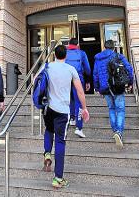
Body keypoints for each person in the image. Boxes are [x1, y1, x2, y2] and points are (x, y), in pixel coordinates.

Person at [42, 44, 90, 189]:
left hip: (48, 109)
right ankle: (58, 178)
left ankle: (47, 153)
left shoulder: (48, 67)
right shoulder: (71, 69)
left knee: (49, 130)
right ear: (66, 56)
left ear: (54, 55)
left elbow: (35, 82)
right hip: (62, 111)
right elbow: (80, 92)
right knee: (61, 142)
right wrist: (84, 108)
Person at [93, 40, 134, 148]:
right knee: (120, 110)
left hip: (105, 88)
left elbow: (95, 74)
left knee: (111, 109)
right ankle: (119, 132)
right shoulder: (119, 56)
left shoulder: (98, 59)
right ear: (114, 48)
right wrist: (130, 83)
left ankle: (115, 130)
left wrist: (97, 88)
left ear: (104, 47)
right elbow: (129, 69)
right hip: (118, 87)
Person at [64, 37, 91, 138]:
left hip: (65, 79)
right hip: (77, 79)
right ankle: (78, 128)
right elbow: (87, 68)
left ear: (69, 44)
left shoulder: (64, 52)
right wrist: (88, 80)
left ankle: (71, 118)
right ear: (77, 45)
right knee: (79, 101)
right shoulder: (81, 53)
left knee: (69, 99)